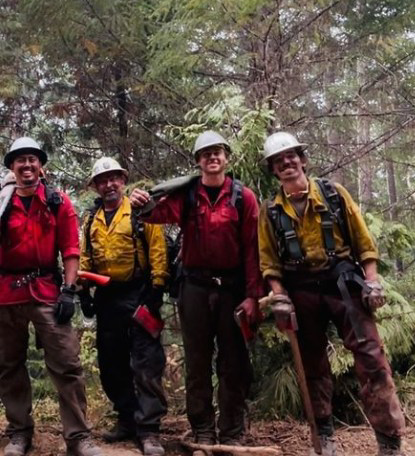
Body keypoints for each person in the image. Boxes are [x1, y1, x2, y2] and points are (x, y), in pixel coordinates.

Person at [258, 131, 405, 456]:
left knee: (371, 359)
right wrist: (279, 295)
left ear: (303, 159)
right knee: (312, 366)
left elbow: (364, 244)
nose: (286, 164)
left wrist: (372, 282)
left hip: (343, 285)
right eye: (278, 162)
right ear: (274, 170)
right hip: (301, 290)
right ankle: (323, 436)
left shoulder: (334, 194)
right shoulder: (269, 212)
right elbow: (269, 262)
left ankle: (389, 440)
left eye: (291, 157)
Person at [0, 137, 103, 456]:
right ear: (12, 166)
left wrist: (69, 290)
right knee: (9, 364)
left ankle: (78, 436)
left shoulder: (57, 201)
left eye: (32, 160)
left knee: (66, 362)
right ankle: (19, 433)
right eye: (20, 160)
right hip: (5, 293)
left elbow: (70, 249)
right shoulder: (1, 201)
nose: (27, 165)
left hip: (47, 291)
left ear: (41, 166)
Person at [130, 131, 263, 454]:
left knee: (233, 361)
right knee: (198, 360)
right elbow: (154, 215)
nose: (212, 158)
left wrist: (252, 295)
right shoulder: (188, 195)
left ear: (226, 157)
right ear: (198, 161)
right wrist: (140, 203)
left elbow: (252, 250)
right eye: (205, 154)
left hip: (232, 289)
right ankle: (202, 429)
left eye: (217, 152)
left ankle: (231, 430)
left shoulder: (243, 197)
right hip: (194, 288)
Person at [80, 157, 168, 456]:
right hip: (107, 299)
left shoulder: (141, 212)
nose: (109, 184)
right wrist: (83, 293)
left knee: (146, 363)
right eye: (103, 180)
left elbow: (158, 250)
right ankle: (127, 419)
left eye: (114, 178)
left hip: (139, 293)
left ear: (123, 180)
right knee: (111, 365)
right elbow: (85, 258)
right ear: (96, 185)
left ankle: (149, 430)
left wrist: (156, 290)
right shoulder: (91, 219)